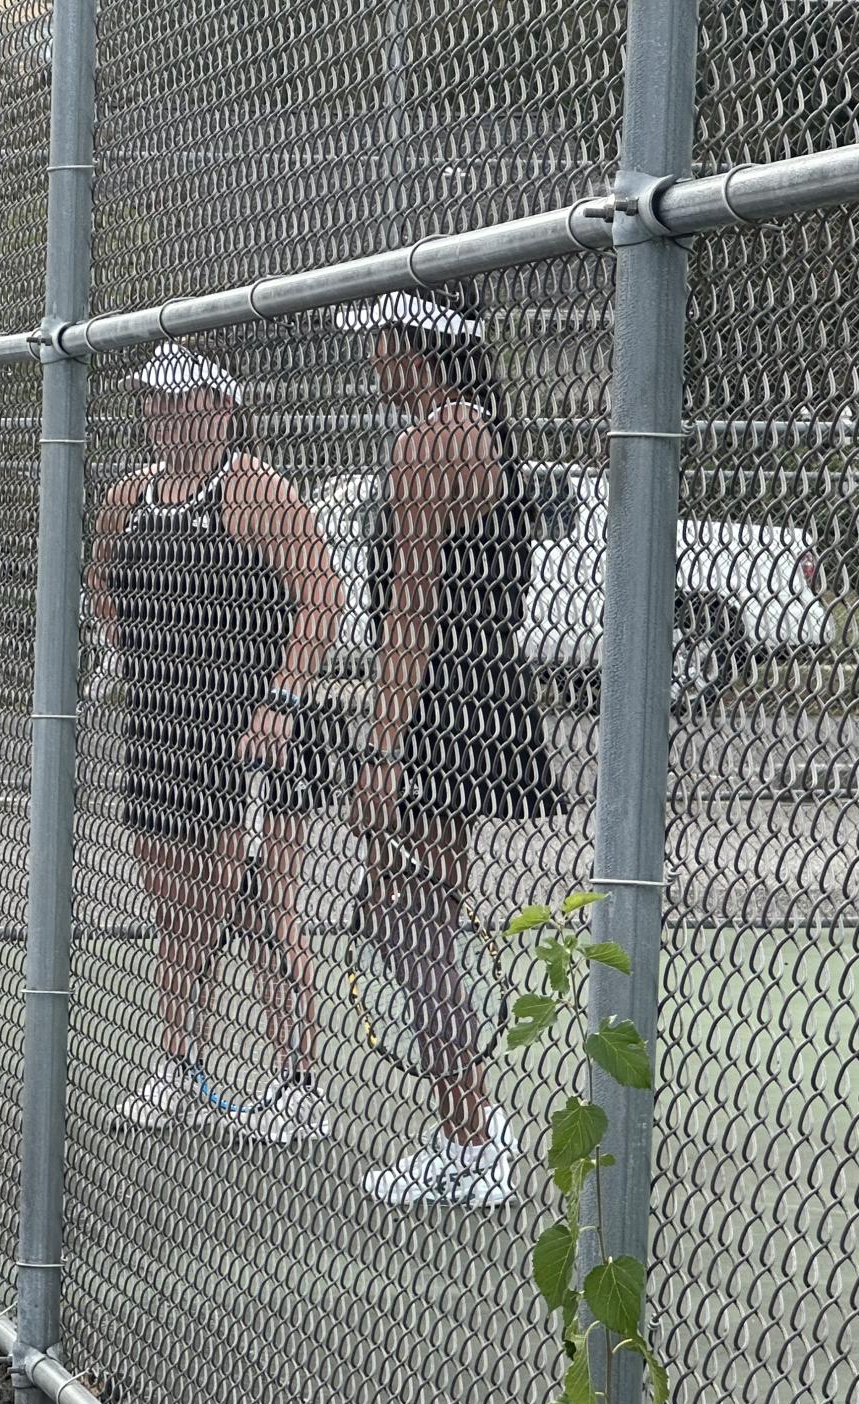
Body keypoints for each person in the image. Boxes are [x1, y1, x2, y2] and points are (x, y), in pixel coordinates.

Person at [336, 287, 565, 1207]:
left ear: (416, 346)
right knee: (417, 913)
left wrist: (382, 753)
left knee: (411, 917)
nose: (371, 358)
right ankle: (467, 1125)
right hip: (472, 698)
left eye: (381, 341)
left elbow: (410, 615)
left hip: (440, 704)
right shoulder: (473, 427)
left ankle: (470, 1138)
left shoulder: (431, 439)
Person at [86, 340, 343, 1141]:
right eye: (155, 401)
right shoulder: (129, 495)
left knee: (264, 907)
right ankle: (179, 1067)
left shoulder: (256, 488)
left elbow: (320, 599)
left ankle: (296, 1083)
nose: (166, 415)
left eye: (184, 399)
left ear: (224, 406)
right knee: (179, 915)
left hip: (251, 734)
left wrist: (280, 698)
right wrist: (131, 650)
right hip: (162, 730)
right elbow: (101, 579)